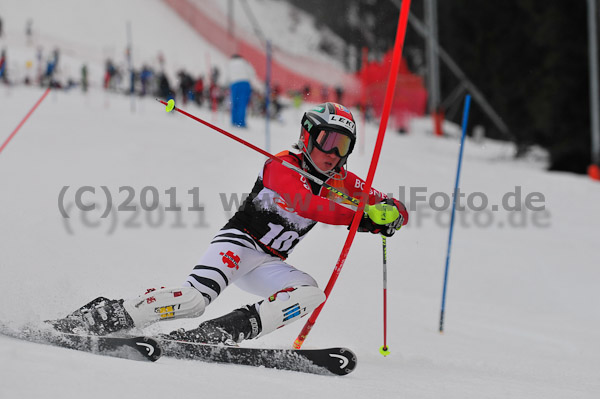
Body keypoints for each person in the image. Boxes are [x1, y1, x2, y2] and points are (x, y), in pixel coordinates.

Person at [50, 102, 409, 345]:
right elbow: (307, 205)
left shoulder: (340, 180)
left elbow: (388, 205)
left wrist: (391, 213)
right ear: (307, 135)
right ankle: (103, 316)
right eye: (327, 141)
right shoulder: (282, 165)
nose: (333, 153)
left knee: (310, 293)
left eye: (342, 145)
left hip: (269, 263)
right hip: (238, 245)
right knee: (194, 299)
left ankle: (219, 334)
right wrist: (361, 219)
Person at [227, 54, 254, 127]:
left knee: (235, 103)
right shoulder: (244, 62)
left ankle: (234, 121)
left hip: (234, 84)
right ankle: (241, 122)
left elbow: (228, 75)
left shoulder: (230, 63)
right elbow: (252, 73)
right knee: (242, 103)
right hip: (244, 83)